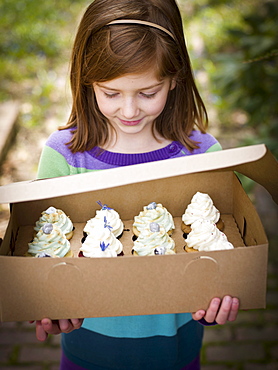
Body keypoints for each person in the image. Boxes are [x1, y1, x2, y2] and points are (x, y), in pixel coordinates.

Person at [34, 0, 240, 369]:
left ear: (175, 78)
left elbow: (222, 257)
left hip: (176, 351)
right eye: (111, 93)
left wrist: (217, 299)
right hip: (87, 351)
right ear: (86, 80)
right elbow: (44, 253)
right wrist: (47, 302)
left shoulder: (205, 156)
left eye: (148, 93)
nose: (129, 111)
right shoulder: (64, 156)